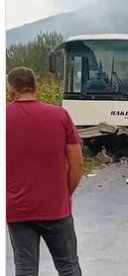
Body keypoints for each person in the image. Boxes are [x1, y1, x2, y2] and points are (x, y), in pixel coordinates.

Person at [6, 67, 84, 276]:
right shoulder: (60, 115)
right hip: (56, 208)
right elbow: (77, 164)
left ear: (11, 89)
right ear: (35, 86)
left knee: (25, 268)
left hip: (18, 209)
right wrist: (64, 194)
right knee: (68, 266)